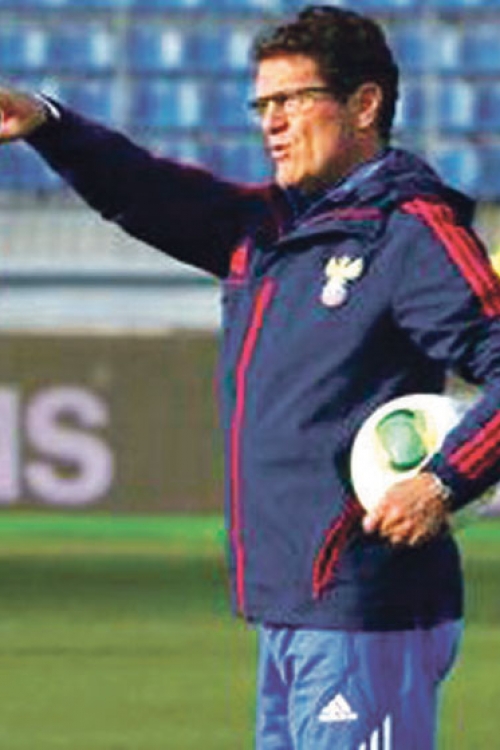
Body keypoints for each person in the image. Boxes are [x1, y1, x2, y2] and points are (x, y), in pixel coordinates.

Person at [1, 4, 499, 748]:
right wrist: (48, 124)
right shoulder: (267, 231)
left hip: (367, 610)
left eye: (293, 100)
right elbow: (148, 191)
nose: (272, 123)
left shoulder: (409, 234)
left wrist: (442, 482)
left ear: (365, 104)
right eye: (263, 105)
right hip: (291, 610)